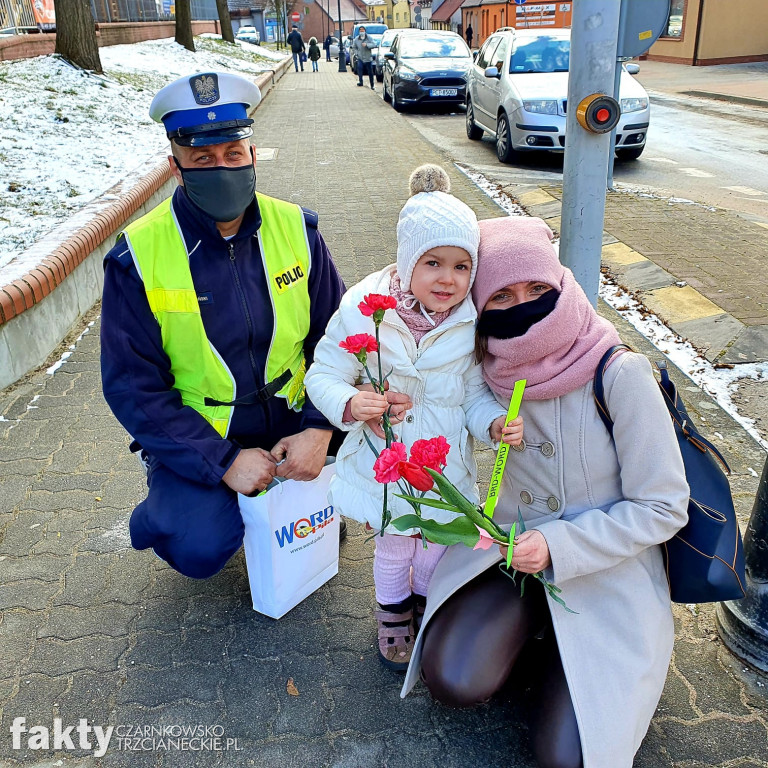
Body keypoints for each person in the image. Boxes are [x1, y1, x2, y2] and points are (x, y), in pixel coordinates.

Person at [401, 216, 690, 768]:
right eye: (503, 295)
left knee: (570, 758)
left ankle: (572, 646)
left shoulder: (619, 371)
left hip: (609, 567)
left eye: (538, 289)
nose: (524, 306)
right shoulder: (489, 367)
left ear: (561, 283)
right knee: (454, 679)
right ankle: (534, 629)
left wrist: (559, 545)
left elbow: (663, 506)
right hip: (509, 551)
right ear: (483, 307)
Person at [100, 72, 346, 579]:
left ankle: (290, 496)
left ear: (253, 156)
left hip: (295, 415)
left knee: (374, 460)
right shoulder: (138, 257)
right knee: (198, 544)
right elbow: (132, 387)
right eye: (203, 160)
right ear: (176, 167)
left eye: (233, 154)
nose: (223, 168)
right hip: (204, 432)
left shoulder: (298, 230)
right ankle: (175, 493)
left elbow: (340, 341)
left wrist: (320, 430)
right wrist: (223, 461)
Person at [305, 166, 522, 671]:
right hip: (388, 463)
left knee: (437, 546)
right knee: (396, 543)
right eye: (433, 263)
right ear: (406, 263)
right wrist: (351, 403)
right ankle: (392, 612)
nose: (448, 279)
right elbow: (323, 373)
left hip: (444, 467)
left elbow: (472, 392)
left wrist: (491, 423)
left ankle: (425, 603)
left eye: (462, 266)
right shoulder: (363, 309)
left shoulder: (470, 321)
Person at [352, 25, 376, 89]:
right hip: (360, 57)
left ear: (365, 31)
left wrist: (367, 45)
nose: (361, 31)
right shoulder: (356, 39)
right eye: (360, 30)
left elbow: (374, 44)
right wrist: (357, 53)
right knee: (359, 68)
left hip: (368, 58)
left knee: (370, 72)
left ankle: (372, 84)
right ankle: (361, 81)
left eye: (363, 30)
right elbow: (354, 47)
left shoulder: (369, 38)